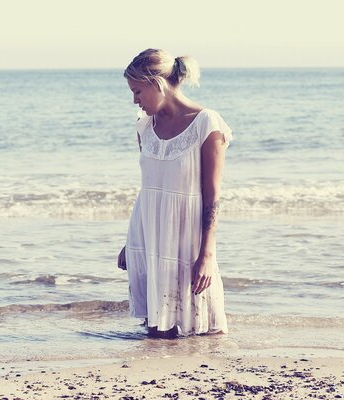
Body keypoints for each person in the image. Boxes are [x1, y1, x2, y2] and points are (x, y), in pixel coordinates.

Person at [117, 48, 232, 338]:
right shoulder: (144, 127)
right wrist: (130, 243)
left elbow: (212, 196)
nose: (135, 100)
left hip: (187, 240)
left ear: (157, 84)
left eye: (138, 91)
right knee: (155, 332)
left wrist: (207, 254)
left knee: (204, 329)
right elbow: (150, 190)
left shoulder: (206, 123)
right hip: (148, 237)